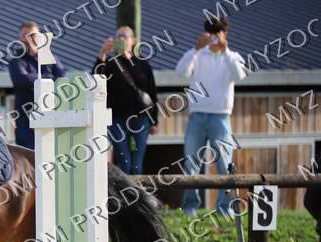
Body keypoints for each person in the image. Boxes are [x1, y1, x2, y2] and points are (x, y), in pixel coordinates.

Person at [175, 16, 247, 215]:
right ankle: (189, 208)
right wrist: (195, 50)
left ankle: (225, 209)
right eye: (212, 33)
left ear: (225, 34)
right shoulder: (197, 54)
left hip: (221, 117)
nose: (215, 37)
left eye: (218, 33)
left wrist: (225, 52)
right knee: (191, 164)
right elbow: (180, 72)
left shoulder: (233, 56)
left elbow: (239, 75)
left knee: (224, 165)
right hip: (197, 116)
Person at [93, 25, 158, 174]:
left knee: (136, 165)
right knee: (124, 162)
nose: (121, 39)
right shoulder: (110, 63)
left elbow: (152, 93)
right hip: (117, 118)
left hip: (141, 118)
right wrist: (103, 53)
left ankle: (136, 189)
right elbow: (96, 80)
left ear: (133, 40)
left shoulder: (143, 64)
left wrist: (154, 121)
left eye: (125, 36)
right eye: (118, 36)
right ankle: (125, 189)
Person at [7, 21, 65, 149]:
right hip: (26, 119)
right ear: (19, 38)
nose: (29, 39)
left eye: (32, 35)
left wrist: (39, 75)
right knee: (30, 154)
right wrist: (50, 77)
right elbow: (22, 80)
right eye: (25, 35)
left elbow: (62, 78)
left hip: (51, 114)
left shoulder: (50, 58)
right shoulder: (16, 60)